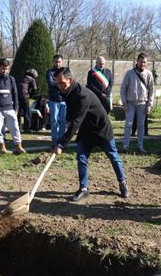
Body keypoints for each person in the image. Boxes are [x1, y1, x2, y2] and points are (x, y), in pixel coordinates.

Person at [52, 67, 129, 201]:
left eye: (61, 83)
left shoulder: (82, 95)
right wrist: (65, 130)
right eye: (57, 83)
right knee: (81, 157)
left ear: (69, 80)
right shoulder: (67, 91)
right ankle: (84, 188)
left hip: (101, 129)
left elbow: (76, 121)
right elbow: (71, 115)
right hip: (86, 130)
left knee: (113, 156)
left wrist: (61, 144)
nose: (59, 86)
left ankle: (123, 183)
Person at [0, 58, 25, 154]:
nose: (4, 71)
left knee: (15, 127)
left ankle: (18, 145)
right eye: (2, 68)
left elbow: (15, 94)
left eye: (6, 68)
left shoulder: (11, 79)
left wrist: (16, 108)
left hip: (10, 109)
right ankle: (2, 146)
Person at [120, 53, 154, 154]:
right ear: (137, 62)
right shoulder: (129, 73)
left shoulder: (149, 74)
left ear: (146, 63)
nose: (142, 64)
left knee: (141, 125)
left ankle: (140, 146)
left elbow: (151, 90)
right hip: (130, 103)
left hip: (142, 104)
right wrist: (124, 103)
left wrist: (149, 104)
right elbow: (123, 88)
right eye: (140, 62)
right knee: (128, 125)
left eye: (144, 62)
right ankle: (125, 146)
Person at [46, 54, 67, 147]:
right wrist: (62, 83)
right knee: (54, 120)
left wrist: (57, 83)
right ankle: (54, 139)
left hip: (64, 100)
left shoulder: (65, 71)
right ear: (53, 62)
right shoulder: (49, 73)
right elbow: (51, 84)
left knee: (63, 120)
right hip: (54, 100)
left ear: (62, 62)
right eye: (56, 62)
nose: (57, 63)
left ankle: (61, 138)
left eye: (59, 62)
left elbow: (69, 83)